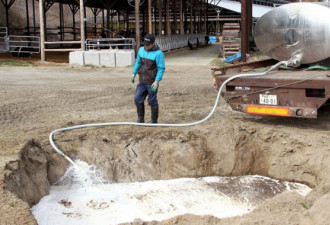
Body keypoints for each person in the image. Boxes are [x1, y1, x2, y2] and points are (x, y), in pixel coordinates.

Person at [131, 34, 165, 123]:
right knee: (137, 99)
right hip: (142, 81)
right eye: (145, 44)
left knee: (152, 100)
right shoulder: (141, 50)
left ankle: (154, 120)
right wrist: (134, 73)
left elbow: (161, 68)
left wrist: (157, 81)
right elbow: (138, 62)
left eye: (148, 44)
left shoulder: (158, 54)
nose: (146, 46)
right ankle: (140, 118)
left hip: (151, 82)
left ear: (153, 43)